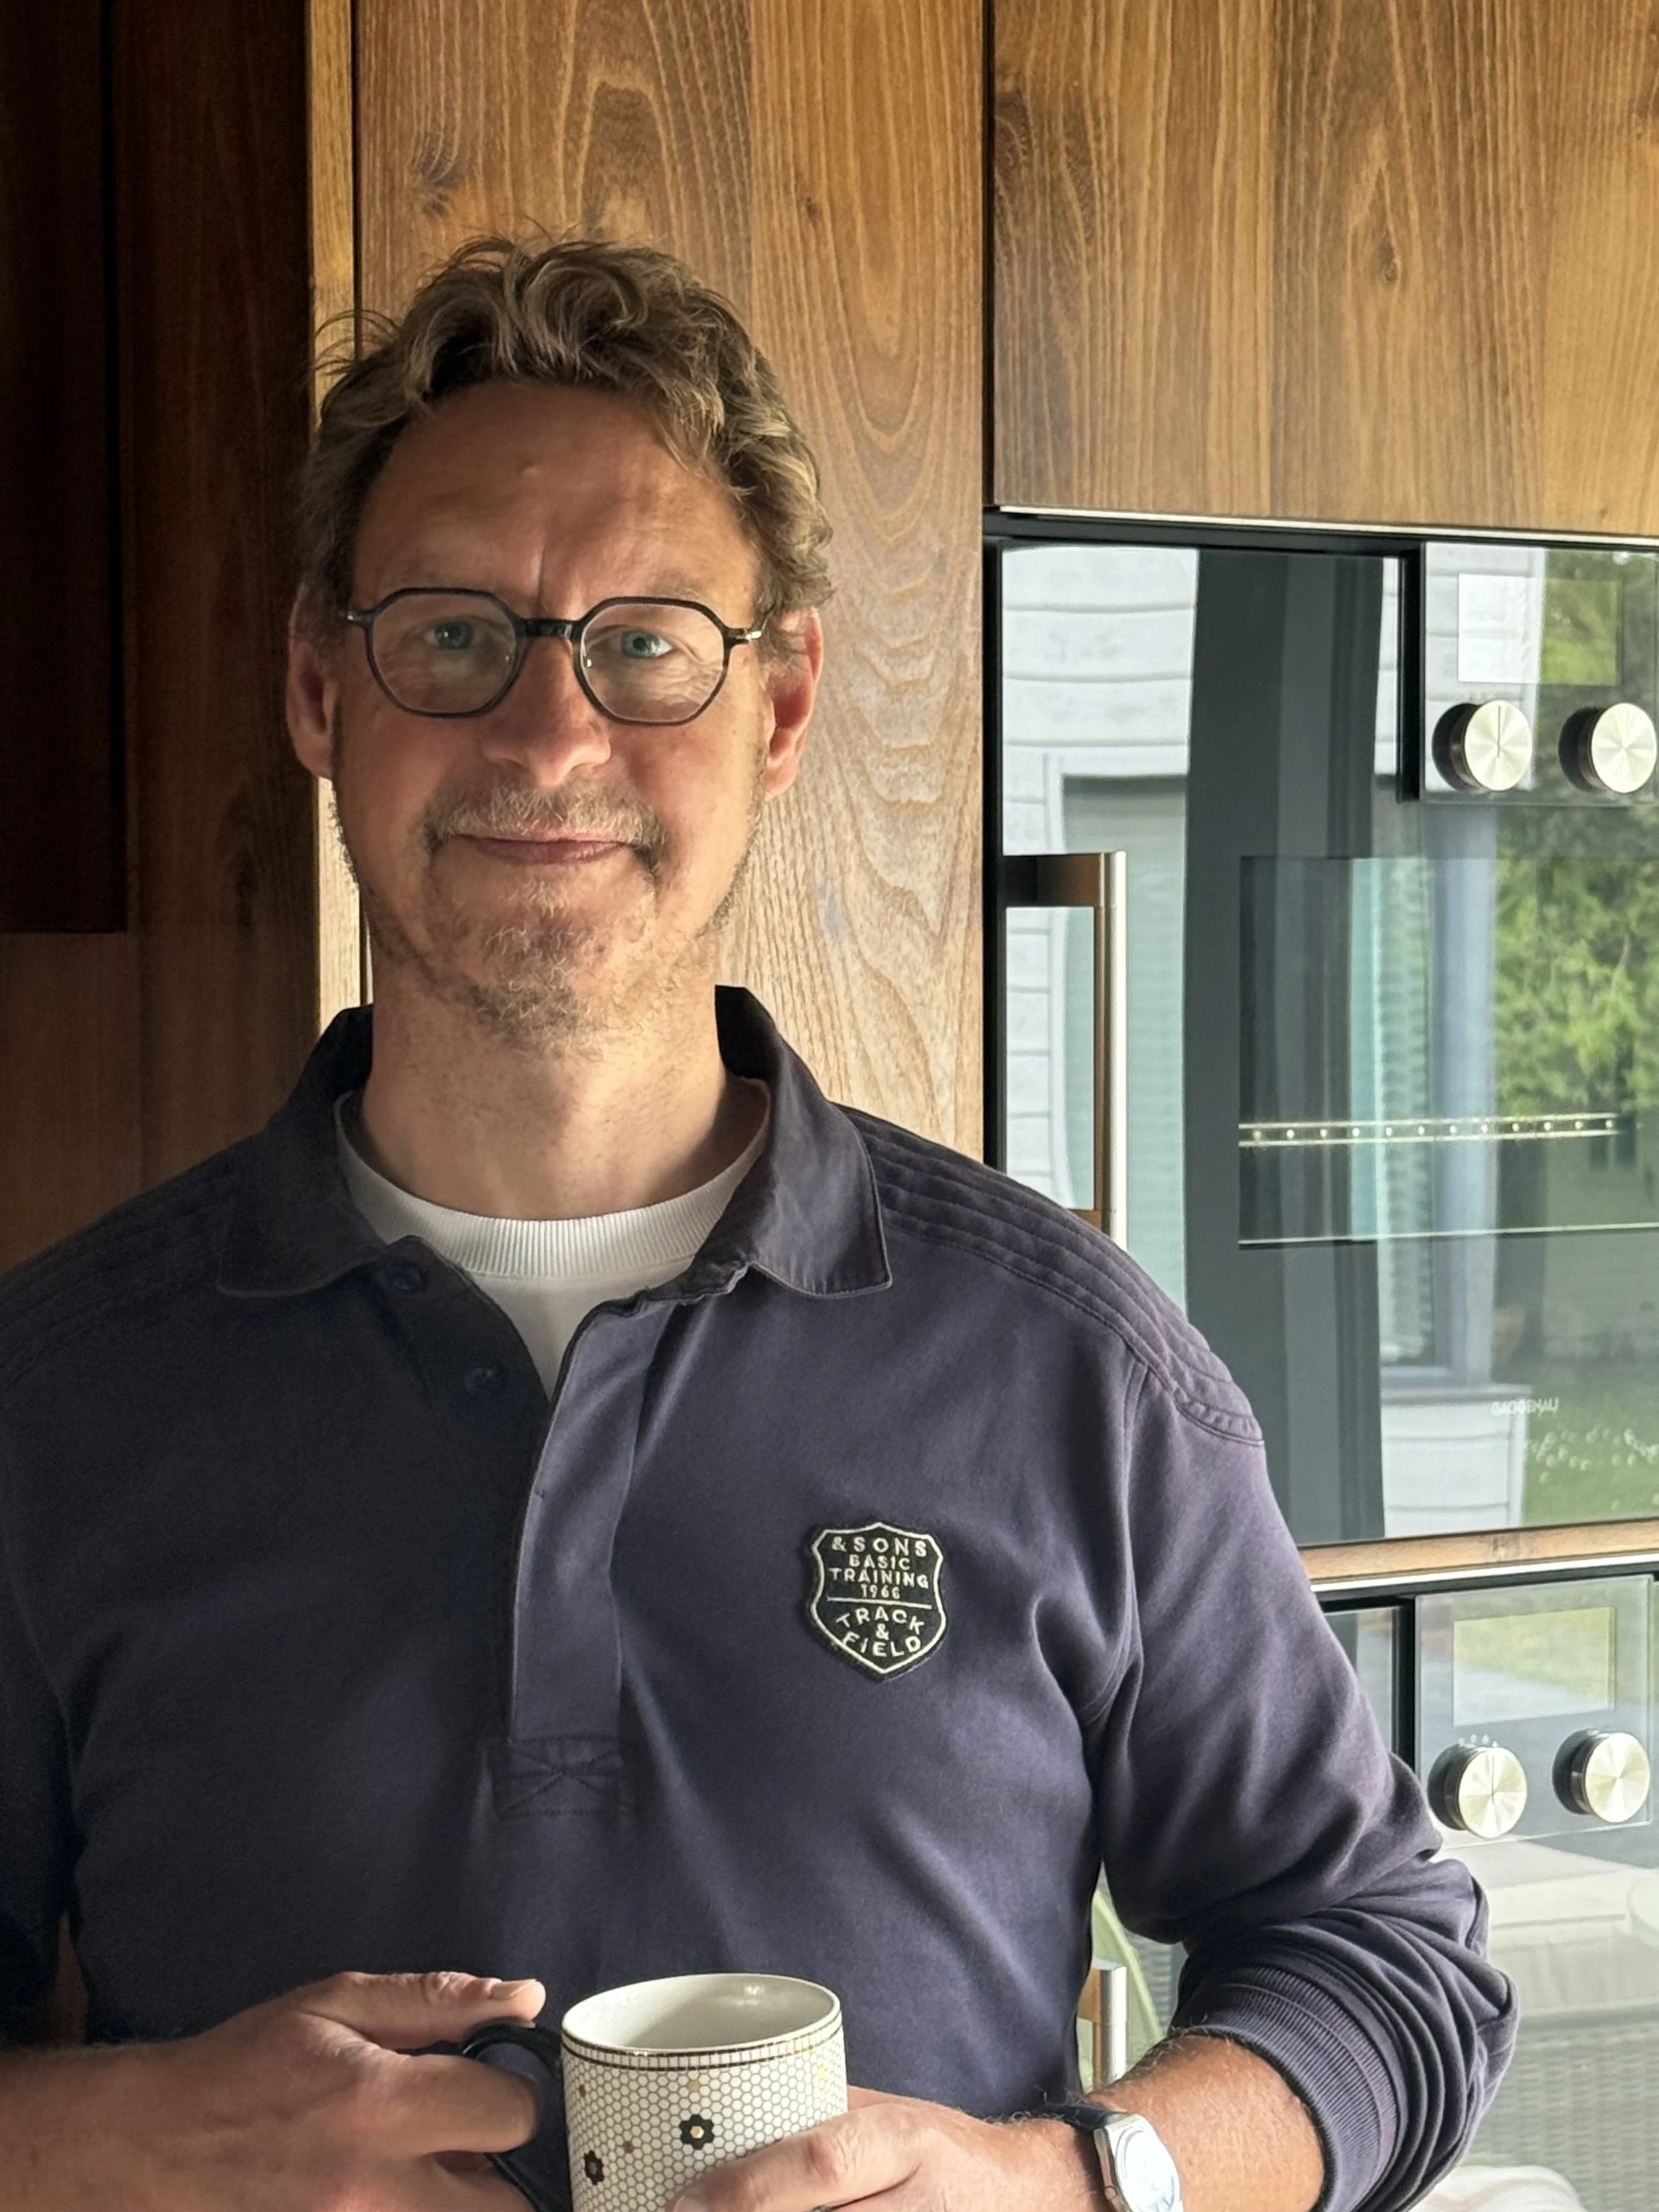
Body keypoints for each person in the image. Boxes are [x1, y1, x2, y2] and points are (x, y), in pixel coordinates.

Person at [0, 236, 1513, 2212]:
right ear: (317, 686)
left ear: (779, 702)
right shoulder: (53, 1399)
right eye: (450, 635)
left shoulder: (1069, 1364)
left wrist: (1069, 2185)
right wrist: (123, 2136)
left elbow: (1388, 1963)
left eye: (646, 645)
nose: (547, 738)